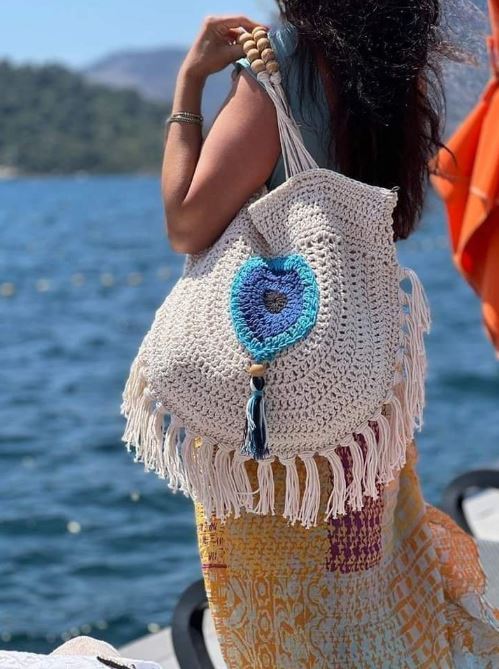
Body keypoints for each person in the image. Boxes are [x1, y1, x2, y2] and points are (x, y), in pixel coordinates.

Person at [161, 4, 499, 667]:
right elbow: (393, 218)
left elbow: (186, 223)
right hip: (360, 382)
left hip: (280, 402)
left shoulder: (283, 59)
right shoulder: (393, 67)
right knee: (367, 596)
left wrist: (189, 83)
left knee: (285, 621)